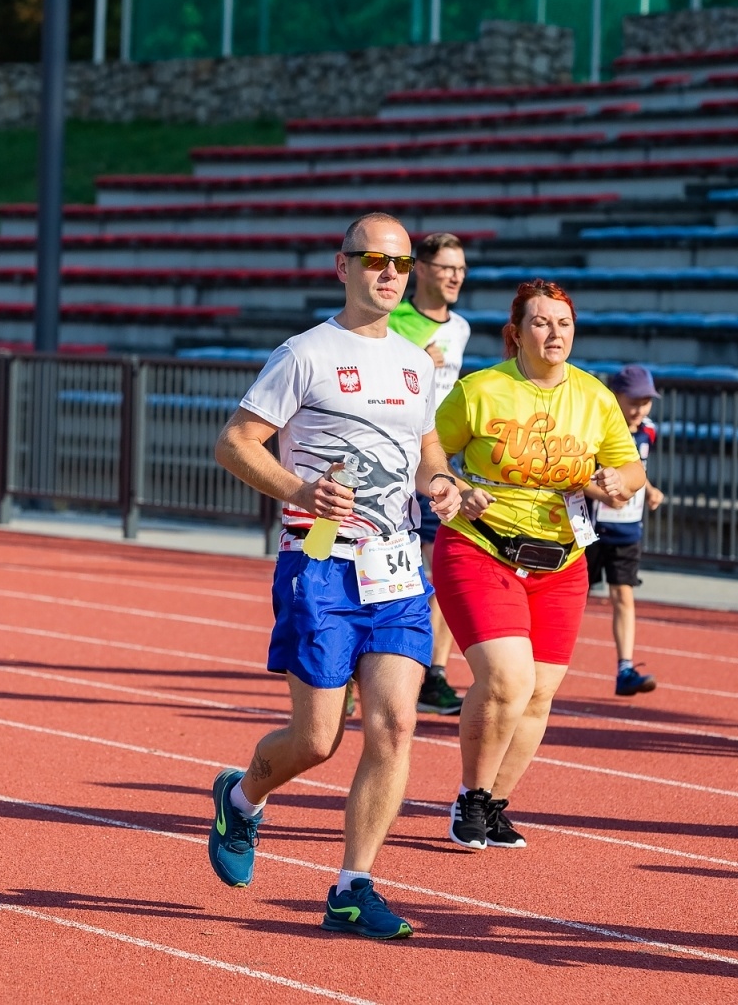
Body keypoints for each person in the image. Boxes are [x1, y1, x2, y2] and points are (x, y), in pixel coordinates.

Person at [208, 212, 462, 940]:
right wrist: (298, 490)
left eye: (401, 264)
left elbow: (427, 449)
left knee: (394, 725)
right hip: (319, 559)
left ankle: (353, 887)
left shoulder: (418, 362)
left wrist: (439, 483)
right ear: (341, 266)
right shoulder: (305, 354)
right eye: (374, 260)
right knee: (319, 739)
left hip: (397, 567)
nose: (389, 274)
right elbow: (233, 442)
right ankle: (243, 795)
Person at [432, 280, 645, 851]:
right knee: (507, 679)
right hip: (480, 546)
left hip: (562, 560)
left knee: (539, 693)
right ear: (516, 333)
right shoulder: (481, 390)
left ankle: (495, 802)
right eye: (541, 323)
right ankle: (470, 798)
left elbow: (629, 469)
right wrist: (450, 483)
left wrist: (614, 483)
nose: (554, 333)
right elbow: (428, 448)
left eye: (564, 324)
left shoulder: (596, 397)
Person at [387, 231, 472, 715]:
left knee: (441, 569)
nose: (455, 276)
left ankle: (433, 674)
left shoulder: (459, 328)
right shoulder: (393, 319)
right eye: (446, 267)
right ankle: (355, 665)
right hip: (392, 461)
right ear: (420, 269)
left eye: (461, 268)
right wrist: (417, 361)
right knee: (393, 568)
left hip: (438, 462)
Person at [588, 364, 666, 697]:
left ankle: (625, 667)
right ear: (614, 397)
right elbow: (581, 472)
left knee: (624, 595)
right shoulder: (597, 429)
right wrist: (607, 494)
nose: (639, 409)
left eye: (646, 401)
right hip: (589, 527)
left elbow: (638, 467)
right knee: (574, 597)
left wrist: (648, 489)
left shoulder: (647, 431)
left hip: (627, 529)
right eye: (633, 401)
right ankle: (536, 663)